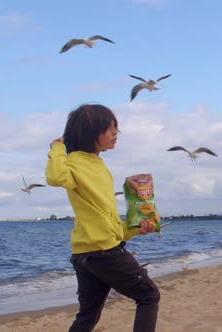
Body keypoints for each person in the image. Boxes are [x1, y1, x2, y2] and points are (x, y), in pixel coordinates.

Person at [46, 104, 160, 332]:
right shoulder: (75, 162)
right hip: (104, 252)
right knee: (149, 296)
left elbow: (104, 217)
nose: (116, 133)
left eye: (116, 128)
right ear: (90, 132)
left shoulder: (98, 165)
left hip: (85, 253)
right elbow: (55, 177)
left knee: (88, 315)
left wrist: (137, 227)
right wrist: (58, 148)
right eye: (109, 128)